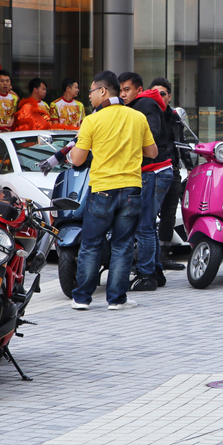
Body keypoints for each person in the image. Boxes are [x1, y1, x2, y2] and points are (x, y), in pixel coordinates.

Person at [68, 71, 157, 310]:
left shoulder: (92, 120)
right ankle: (117, 299)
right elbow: (153, 152)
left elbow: (77, 160)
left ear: (104, 91)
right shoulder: (137, 117)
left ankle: (82, 299)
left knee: (91, 244)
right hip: (131, 189)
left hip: (102, 190)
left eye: (92, 92)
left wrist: (71, 152)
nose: (89, 97)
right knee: (123, 245)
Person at [119, 71, 173, 292]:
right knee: (146, 224)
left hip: (155, 171)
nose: (123, 94)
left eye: (127, 89)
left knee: (145, 225)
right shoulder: (137, 105)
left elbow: (151, 132)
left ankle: (147, 274)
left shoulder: (146, 105)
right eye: (121, 90)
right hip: (153, 170)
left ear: (139, 90)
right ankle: (156, 270)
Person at [150, 76, 189, 274]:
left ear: (169, 96)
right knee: (146, 215)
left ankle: (163, 255)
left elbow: (183, 144)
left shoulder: (175, 117)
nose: (159, 97)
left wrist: (190, 169)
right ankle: (145, 257)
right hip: (149, 172)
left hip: (171, 171)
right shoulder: (144, 114)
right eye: (155, 93)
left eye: (163, 94)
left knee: (169, 215)